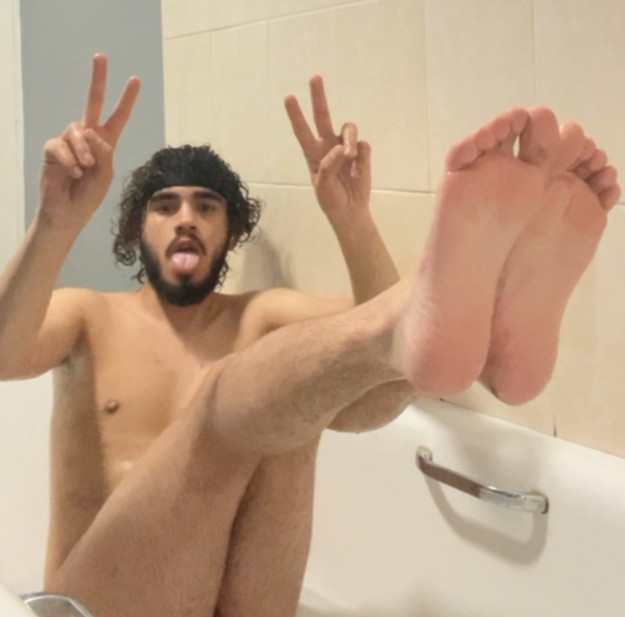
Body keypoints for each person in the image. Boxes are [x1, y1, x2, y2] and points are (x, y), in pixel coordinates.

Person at [0, 53, 618, 617]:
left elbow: (388, 378)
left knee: (305, 394)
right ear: (138, 228)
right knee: (229, 400)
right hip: (90, 608)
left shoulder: (259, 318)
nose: (186, 219)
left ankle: (487, 321)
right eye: (165, 206)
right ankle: (465, 292)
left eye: (206, 206)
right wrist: (55, 222)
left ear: (230, 231)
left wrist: (350, 217)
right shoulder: (88, 317)